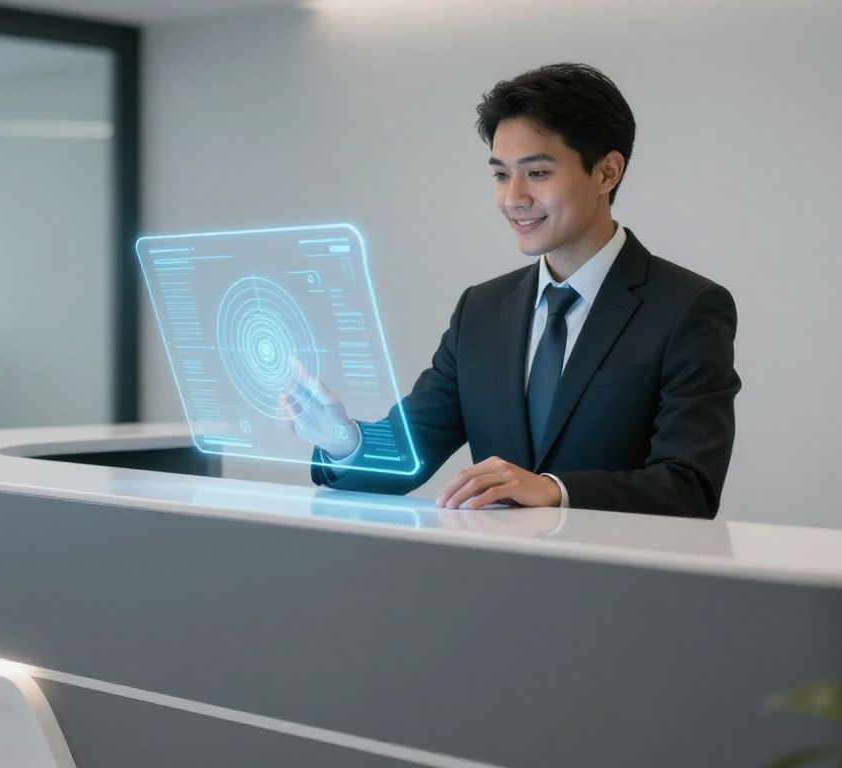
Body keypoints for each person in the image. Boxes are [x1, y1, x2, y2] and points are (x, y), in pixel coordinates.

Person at [279, 63, 740, 518]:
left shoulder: (687, 307)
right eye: (501, 175)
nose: (513, 198)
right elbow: (405, 459)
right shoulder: (480, 311)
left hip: (619, 588)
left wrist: (554, 490)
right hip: (496, 584)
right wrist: (344, 441)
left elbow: (689, 487)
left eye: (537, 174)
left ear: (607, 173)